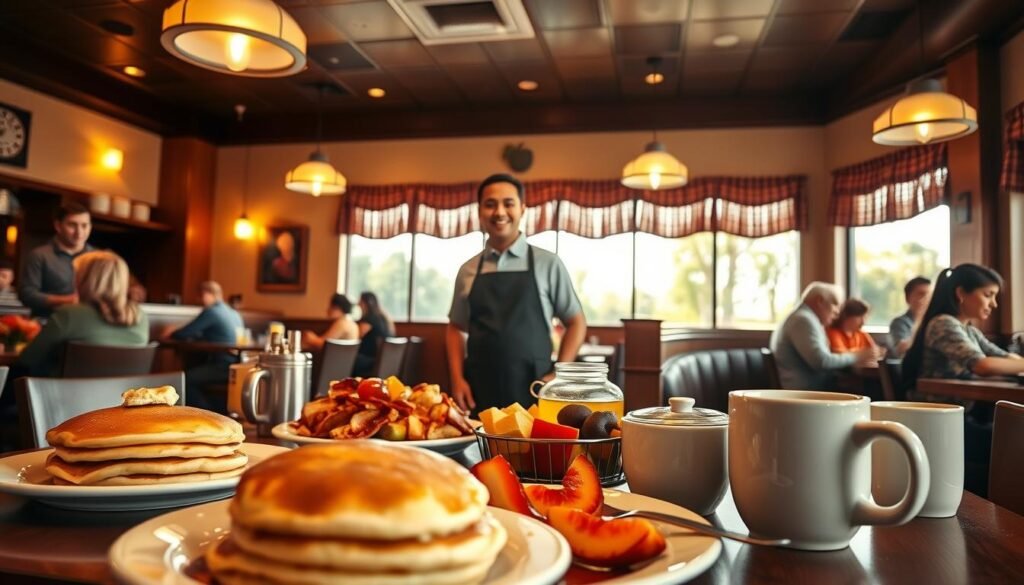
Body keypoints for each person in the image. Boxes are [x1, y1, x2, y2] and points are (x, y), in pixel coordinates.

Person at [446, 173, 587, 413]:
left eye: (508, 203)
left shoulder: (548, 263)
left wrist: (559, 374)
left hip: (534, 389)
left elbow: (576, 322)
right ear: (480, 211)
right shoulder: (467, 270)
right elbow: (454, 328)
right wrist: (457, 380)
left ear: (522, 209)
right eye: (490, 204)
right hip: (479, 390)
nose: (499, 212)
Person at [17, 251, 148, 377]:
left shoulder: (70, 314)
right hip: (121, 398)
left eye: (76, 275)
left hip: (65, 398)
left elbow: (28, 359)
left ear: (85, 279)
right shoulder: (141, 316)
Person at [902, 264, 1024, 388]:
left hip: (962, 403)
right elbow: (982, 366)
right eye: (988, 295)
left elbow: (1003, 356)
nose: (994, 304)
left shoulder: (970, 330)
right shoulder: (942, 323)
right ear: (960, 293)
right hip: (937, 405)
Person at [771, 282, 883, 390]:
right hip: (806, 393)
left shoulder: (803, 318)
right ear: (820, 301)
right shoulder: (803, 320)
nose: (837, 312)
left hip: (809, 390)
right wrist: (857, 356)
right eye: (835, 304)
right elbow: (822, 362)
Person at [167, 281, 244, 412]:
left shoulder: (212, 312)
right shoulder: (233, 312)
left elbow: (183, 334)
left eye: (201, 296)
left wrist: (171, 331)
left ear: (209, 294)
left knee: (184, 379)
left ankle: (206, 414)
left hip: (222, 367)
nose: (199, 300)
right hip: (236, 365)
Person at [18, 201, 93, 317]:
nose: (79, 232)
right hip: (47, 324)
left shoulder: (98, 258)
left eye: (84, 225)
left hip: (86, 327)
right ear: (58, 226)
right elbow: (27, 295)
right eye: (72, 225)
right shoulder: (39, 255)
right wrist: (67, 300)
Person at [353, 292, 396, 378]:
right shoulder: (384, 318)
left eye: (360, 301)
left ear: (366, 303)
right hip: (384, 361)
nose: (358, 304)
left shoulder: (370, 318)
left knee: (344, 359)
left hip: (371, 361)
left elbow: (355, 337)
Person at [889, 276, 931, 357]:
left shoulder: (935, 321)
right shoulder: (899, 322)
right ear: (907, 298)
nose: (926, 299)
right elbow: (901, 349)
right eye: (921, 294)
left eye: (929, 295)